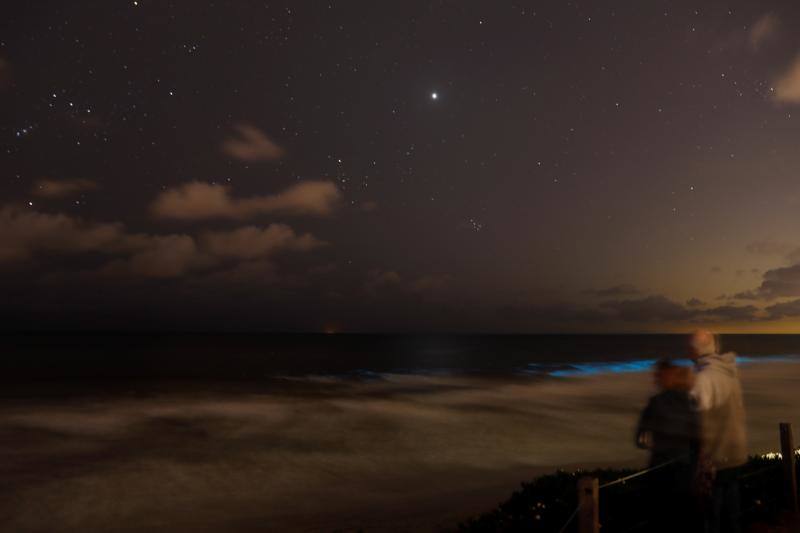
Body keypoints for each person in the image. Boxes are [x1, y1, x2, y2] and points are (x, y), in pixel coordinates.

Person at [689, 330, 748, 533]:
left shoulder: (704, 378)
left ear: (695, 350)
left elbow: (698, 421)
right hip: (736, 450)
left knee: (711, 515)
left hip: (716, 456)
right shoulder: (731, 373)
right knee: (733, 511)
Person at [636, 358, 701, 532]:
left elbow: (639, 439)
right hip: (685, 470)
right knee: (683, 517)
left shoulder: (655, 402)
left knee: (660, 518)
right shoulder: (690, 401)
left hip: (660, 469)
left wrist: (652, 444)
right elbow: (698, 437)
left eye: (657, 375)